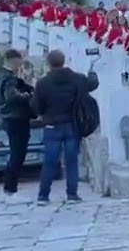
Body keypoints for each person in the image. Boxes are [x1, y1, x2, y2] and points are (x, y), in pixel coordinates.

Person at [30, 50, 98, 205]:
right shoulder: (77, 79)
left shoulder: (43, 83)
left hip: (51, 125)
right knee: (72, 161)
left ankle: (43, 196)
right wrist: (93, 71)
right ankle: (72, 195)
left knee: (50, 162)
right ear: (63, 61)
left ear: (48, 63)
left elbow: (36, 107)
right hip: (71, 125)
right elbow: (92, 84)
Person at [0, 48, 34, 203]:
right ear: (14, 60)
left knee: (15, 153)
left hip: (6, 118)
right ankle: (10, 190)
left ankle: (10, 190)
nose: (21, 64)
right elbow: (12, 96)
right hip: (17, 118)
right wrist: (27, 96)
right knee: (18, 154)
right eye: (20, 61)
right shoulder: (9, 78)